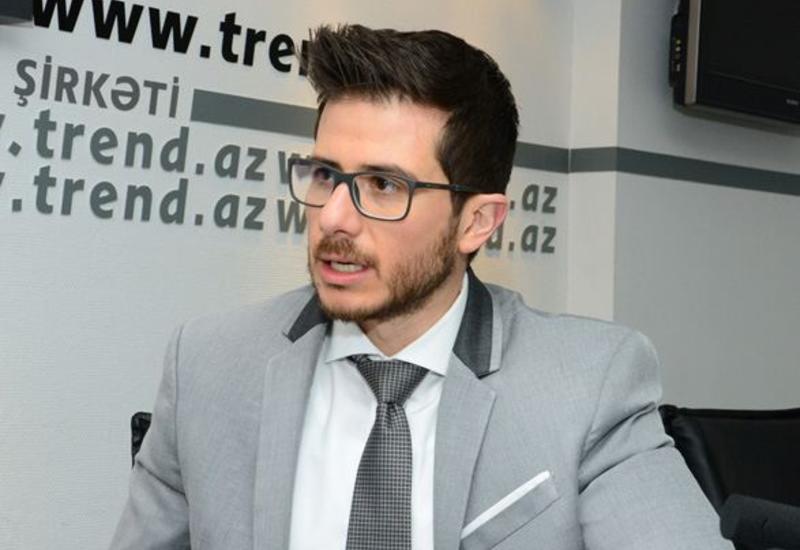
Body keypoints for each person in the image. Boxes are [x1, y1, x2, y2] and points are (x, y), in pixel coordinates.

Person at [111, 24, 732, 550]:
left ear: (476, 222)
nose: (334, 217)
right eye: (325, 175)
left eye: (384, 185)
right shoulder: (208, 365)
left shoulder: (588, 385)